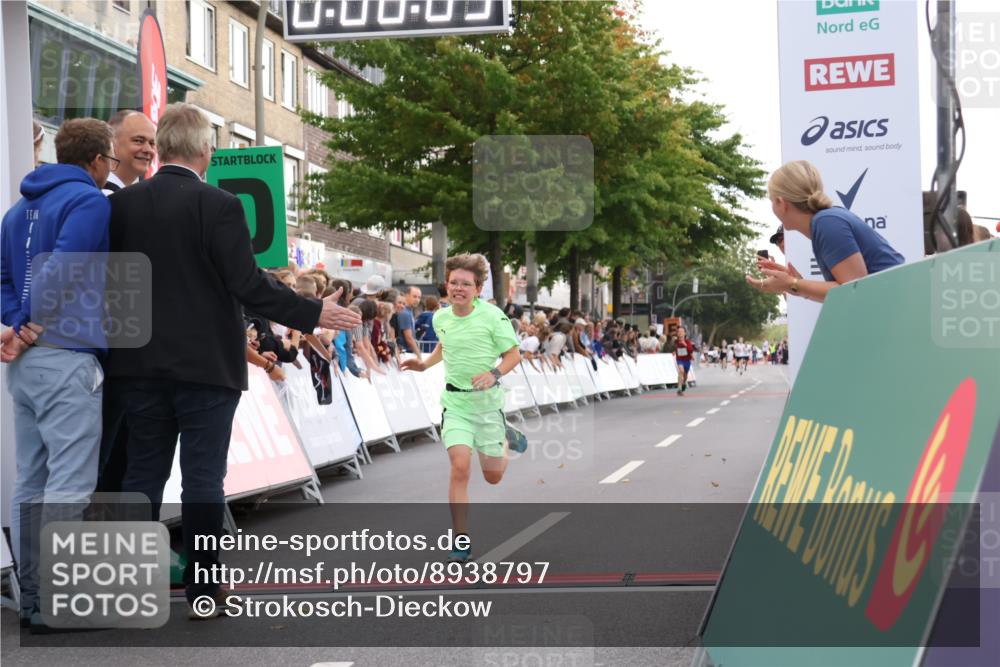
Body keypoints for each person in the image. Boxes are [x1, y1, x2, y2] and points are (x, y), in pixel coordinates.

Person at [104, 103, 360, 619]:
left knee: (142, 476)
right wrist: (314, 312)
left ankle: (128, 591)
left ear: (164, 147)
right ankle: (204, 591)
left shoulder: (123, 206)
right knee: (202, 479)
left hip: (138, 366)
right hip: (206, 369)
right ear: (206, 152)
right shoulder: (219, 205)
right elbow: (248, 285)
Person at [1, 118, 116, 631]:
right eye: (109, 161)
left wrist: (15, 325)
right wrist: (26, 327)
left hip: (26, 364)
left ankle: (32, 598)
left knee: (32, 479)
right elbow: (66, 267)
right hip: (65, 353)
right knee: (69, 483)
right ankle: (57, 602)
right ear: (96, 161)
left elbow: (5, 278)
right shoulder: (90, 200)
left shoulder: (17, 209)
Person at [400, 254, 522, 563]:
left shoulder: (494, 317)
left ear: (478, 288)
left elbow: (513, 355)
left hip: (487, 405)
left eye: (465, 284)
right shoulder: (441, 318)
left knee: (493, 476)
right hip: (455, 404)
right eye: (454, 282)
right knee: (459, 467)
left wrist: (494, 373)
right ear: (446, 285)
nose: (458, 288)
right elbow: (445, 344)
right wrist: (425, 364)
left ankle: (505, 439)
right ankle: (460, 540)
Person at [749, 161, 904, 301]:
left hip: (898, 309)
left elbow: (855, 291)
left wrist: (793, 283)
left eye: (772, 201)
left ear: (780, 203)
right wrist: (795, 283)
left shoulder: (826, 223)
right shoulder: (827, 221)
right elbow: (846, 291)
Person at [102, 110, 157, 195]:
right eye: (138, 141)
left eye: (152, 143)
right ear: (112, 143)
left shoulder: (138, 196)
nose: (148, 149)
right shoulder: (100, 196)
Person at [396, 285, 422, 359]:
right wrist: (419, 355)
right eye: (414, 296)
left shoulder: (408, 312)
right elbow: (409, 338)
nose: (417, 300)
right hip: (405, 354)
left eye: (419, 297)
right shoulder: (405, 313)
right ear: (407, 296)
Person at [674, 326, 695, 396]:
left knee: (685, 376)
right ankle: (679, 388)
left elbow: (691, 350)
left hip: (687, 360)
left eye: (682, 332)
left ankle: (683, 383)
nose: (680, 333)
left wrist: (685, 345)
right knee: (681, 371)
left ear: (684, 333)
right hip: (679, 360)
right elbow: (671, 348)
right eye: (679, 332)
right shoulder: (675, 342)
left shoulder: (687, 342)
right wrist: (673, 351)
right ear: (677, 333)